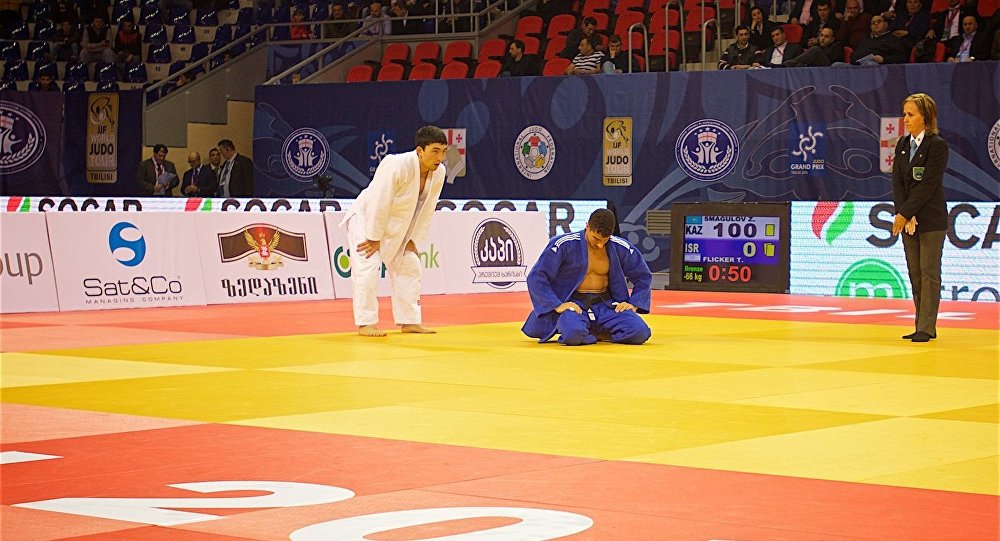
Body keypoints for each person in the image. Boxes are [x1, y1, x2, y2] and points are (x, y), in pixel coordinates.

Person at [340, 125, 449, 337]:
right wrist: (373, 236)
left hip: (398, 226)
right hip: (366, 219)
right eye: (435, 151)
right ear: (420, 150)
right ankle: (366, 323)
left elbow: (426, 208)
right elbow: (379, 200)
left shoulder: (439, 173)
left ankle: (410, 320)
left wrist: (414, 239)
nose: (440, 158)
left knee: (410, 265)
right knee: (368, 267)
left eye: (443, 151)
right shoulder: (396, 164)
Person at [522, 208, 652, 346]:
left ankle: (590, 331)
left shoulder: (620, 247)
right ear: (587, 226)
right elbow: (537, 277)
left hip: (607, 305)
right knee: (573, 334)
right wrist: (557, 305)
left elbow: (643, 276)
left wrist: (635, 303)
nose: (600, 244)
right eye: (596, 238)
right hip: (574, 304)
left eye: (605, 240)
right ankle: (593, 333)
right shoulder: (564, 244)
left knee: (640, 332)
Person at [892, 93, 948, 343]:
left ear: (925, 117)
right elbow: (897, 182)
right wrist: (904, 213)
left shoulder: (937, 145)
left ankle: (927, 327)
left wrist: (906, 213)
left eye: (910, 114)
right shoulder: (902, 144)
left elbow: (928, 185)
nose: (905, 119)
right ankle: (920, 325)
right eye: (904, 114)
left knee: (929, 273)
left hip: (931, 219)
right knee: (915, 273)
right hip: (909, 219)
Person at [838, 14, 907, 64]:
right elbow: (854, 55)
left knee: (869, 64)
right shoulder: (866, 40)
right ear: (871, 27)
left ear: (886, 24)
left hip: (880, 67)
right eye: (873, 23)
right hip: (858, 65)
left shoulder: (892, 39)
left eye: (879, 22)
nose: (876, 24)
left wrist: (883, 59)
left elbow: (902, 57)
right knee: (837, 65)